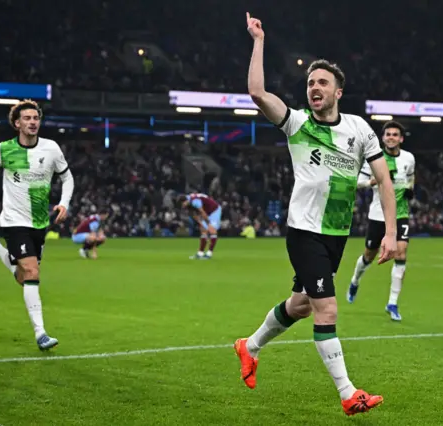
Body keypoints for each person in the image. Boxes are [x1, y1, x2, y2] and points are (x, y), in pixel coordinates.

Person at [234, 13, 398, 416]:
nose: (314, 88)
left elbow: (384, 181)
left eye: (322, 82)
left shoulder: (359, 130)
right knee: (327, 309)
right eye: (310, 83)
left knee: (303, 303)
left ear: (339, 91)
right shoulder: (298, 124)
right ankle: (348, 394)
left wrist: (390, 233)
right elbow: (256, 92)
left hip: (336, 235)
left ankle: (249, 345)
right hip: (304, 232)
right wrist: (258, 41)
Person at [0, 99, 74, 350]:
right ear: (17, 124)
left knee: (23, 277)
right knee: (32, 273)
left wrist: (64, 203)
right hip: (14, 221)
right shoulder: (4, 149)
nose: (32, 122)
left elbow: (67, 178)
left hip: (39, 221)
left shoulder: (51, 149)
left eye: (35, 118)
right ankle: (41, 334)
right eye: (27, 118)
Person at [347, 121, 415, 321]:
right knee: (369, 255)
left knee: (401, 252)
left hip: (400, 213)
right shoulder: (375, 159)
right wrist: (371, 182)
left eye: (395, 134)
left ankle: (392, 303)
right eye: (388, 134)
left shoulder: (408, 158)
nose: (391, 137)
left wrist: (410, 188)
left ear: (401, 138)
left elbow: (411, 177)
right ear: (383, 138)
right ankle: (355, 280)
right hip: (378, 215)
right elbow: (357, 182)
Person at [176, 193, 221, 259]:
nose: (182, 206)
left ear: (185, 201)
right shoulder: (188, 202)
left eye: (182, 204)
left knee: (212, 231)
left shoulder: (195, 201)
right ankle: (200, 253)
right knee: (203, 230)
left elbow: (202, 212)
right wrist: (201, 223)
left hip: (214, 210)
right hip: (206, 210)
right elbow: (194, 215)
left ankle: (209, 254)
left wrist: (208, 224)